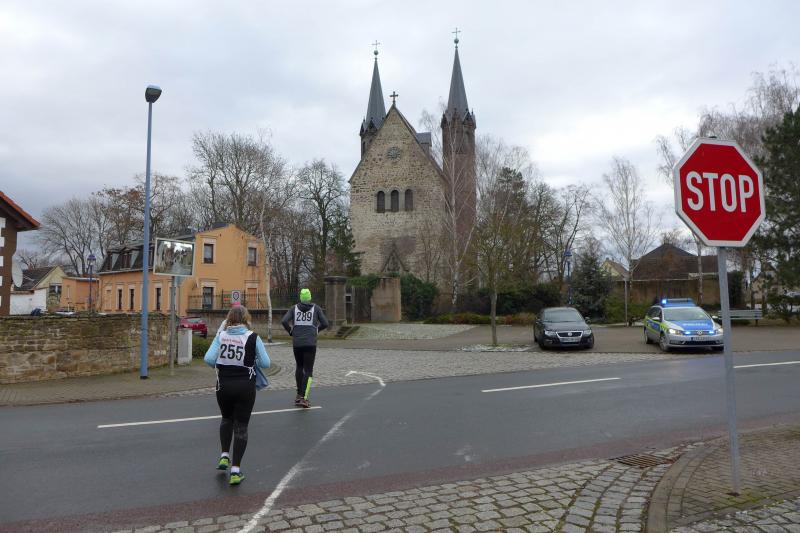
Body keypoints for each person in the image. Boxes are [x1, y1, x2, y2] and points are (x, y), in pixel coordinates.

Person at [204, 305, 270, 485]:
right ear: (246, 319)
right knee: (241, 426)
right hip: (244, 386)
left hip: (223, 385)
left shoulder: (221, 336)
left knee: (226, 419)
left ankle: (224, 455)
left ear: (229, 319)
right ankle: (235, 471)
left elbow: (208, 359)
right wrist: (251, 359)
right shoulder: (253, 337)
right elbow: (265, 363)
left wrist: (222, 364)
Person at [282, 288, 329, 408]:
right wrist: (316, 330)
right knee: (308, 370)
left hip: (297, 343)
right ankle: (304, 397)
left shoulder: (294, 308)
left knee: (299, 367)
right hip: (310, 343)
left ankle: (299, 395)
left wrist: (291, 331)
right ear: (310, 297)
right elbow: (325, 323)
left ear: (301, 298)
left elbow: (284, 321)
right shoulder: (316, 308)